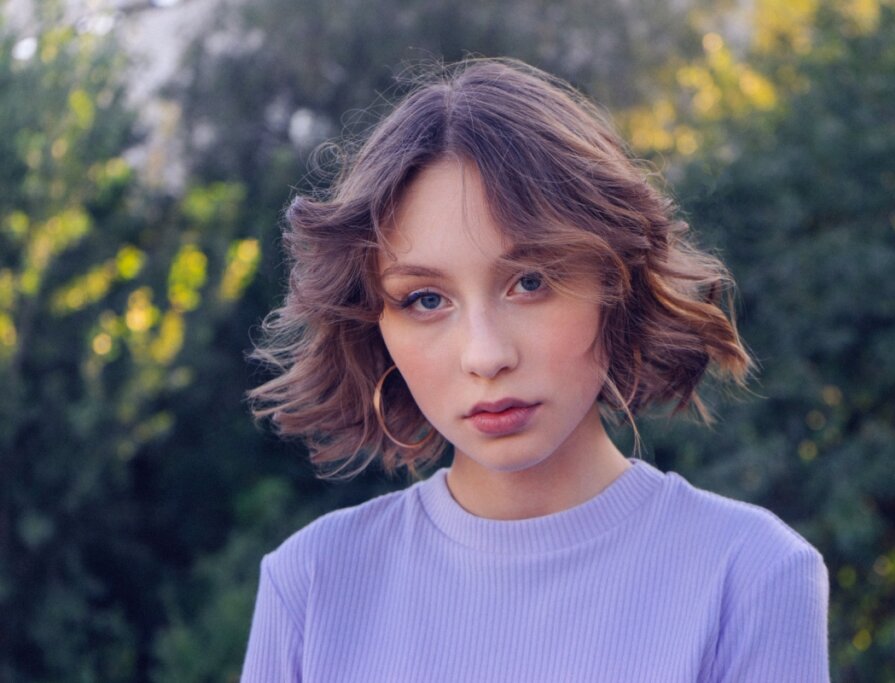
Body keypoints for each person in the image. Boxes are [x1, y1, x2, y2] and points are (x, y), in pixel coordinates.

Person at [241, 58, 830, 682]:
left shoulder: (751, 575)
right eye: (426, 300)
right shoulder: (311, 585)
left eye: (530, 282)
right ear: (374, 323)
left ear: (616, 280)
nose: (485, 355)